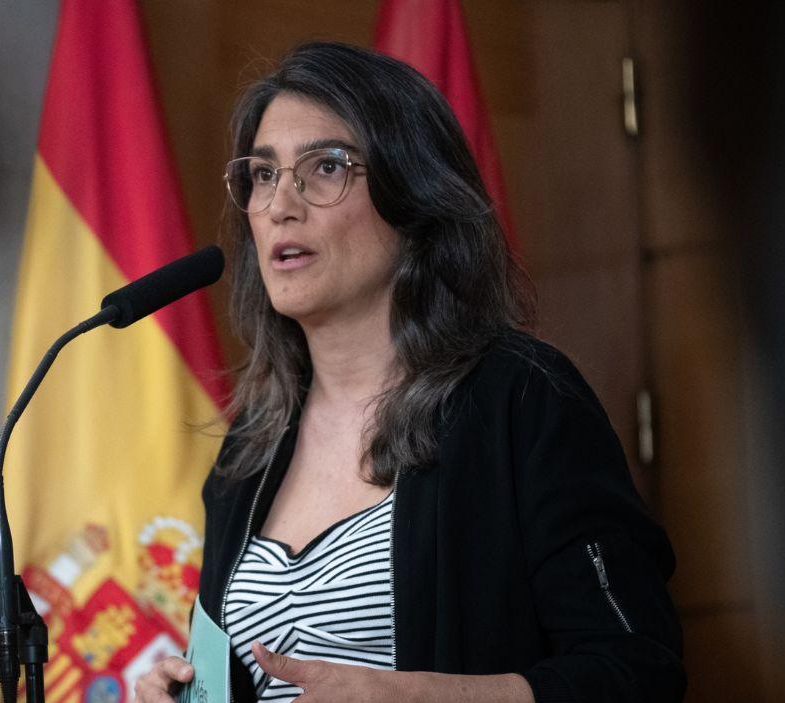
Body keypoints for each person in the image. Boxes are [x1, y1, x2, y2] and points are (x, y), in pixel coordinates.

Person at [136, 42, 684, 703]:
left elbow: (638, 671)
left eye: (326, 167)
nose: (281, 204)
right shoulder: (248, 451)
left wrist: (423, 696)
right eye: (263, 175)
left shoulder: (521, 400)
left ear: (415, 204)